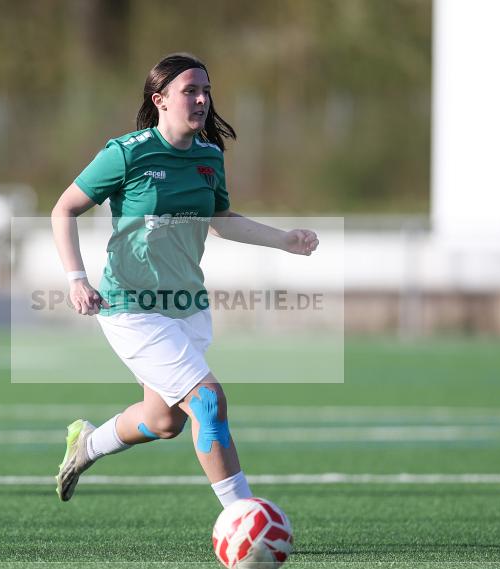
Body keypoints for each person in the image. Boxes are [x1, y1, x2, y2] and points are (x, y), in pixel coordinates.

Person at [52, 53, 318, 508]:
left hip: (187, 305)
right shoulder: (126, 153)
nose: (201, 100)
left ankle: (87, 446)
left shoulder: (209, 157)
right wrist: (77, 279)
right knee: (209, 403)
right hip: (130, 306)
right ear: (160, 100)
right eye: (190, 91)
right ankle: (243, 517)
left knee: (162, 422)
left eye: (207, 92)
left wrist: (283, 240)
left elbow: (220, 220)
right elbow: (64, 209)